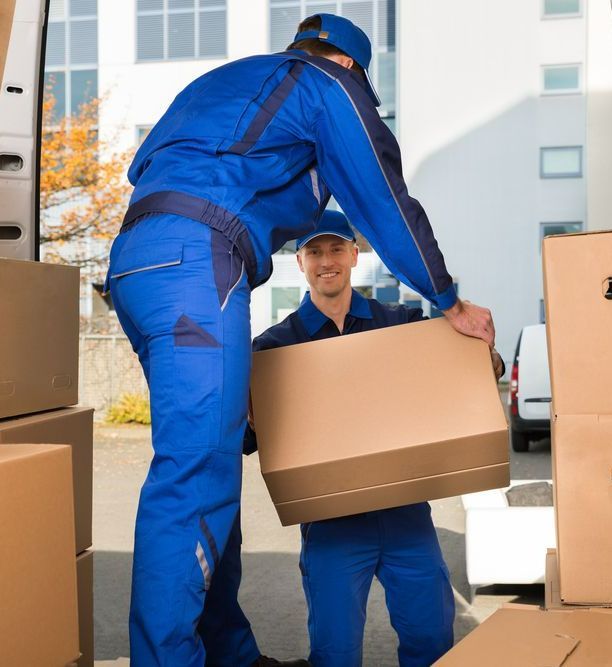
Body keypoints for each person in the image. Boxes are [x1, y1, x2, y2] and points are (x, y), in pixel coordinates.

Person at [106, 11, 496, 667]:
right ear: (350, 67)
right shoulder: (325, 84)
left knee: (209, 459)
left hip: (138, 264)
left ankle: (228, 652)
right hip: (198, 259)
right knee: (194, 475)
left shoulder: (230, 84)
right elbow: (382, 193)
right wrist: (446, 297)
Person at [246, 210, 504, 666]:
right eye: (314, 252)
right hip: (332, 526)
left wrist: (489, 359)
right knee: (335, 653)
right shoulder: (274, 349)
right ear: (300, 261)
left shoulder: (400, 324)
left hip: (407, 516)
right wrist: (245, 413)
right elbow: (249, 439)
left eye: (336, 249)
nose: (327, 261)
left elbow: (458, 372)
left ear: (354, 254)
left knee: (431, 641)